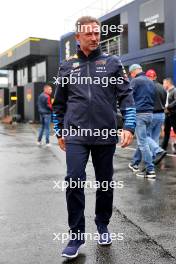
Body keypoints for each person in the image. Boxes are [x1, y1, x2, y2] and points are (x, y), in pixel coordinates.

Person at [52, 16, 136, 259]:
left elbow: (126, 96)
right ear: (77, 37)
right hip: (76, 134)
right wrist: (60, 131)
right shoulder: (66, 66)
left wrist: (128, 126)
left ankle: (102, 225)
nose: (94, 37)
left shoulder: (112, 62)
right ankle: (76, 235)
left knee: (105, 182)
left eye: (97, 33)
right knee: (74, 180)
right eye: (88, 34)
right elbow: (59, 103)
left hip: (105, 133)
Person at [128, 64, 156, 179]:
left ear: (134, 72)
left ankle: (150, 170)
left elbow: (128, 96)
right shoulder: (150, 81)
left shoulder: (135, 81)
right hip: (150, 114)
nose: (131, 76)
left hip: (140, 114)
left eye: (131, 74)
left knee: (143, 143)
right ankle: (134, 163)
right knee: (144, 141)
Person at [145, 69, 167, 163]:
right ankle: (155, 157)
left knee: (145, 135)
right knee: (155, 137)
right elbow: (165, 100)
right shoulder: (162, 87)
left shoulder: (147, 87)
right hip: (161, 115)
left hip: (151, 114)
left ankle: (157, 152)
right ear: (155, 76)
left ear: (147, 77)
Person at [161, 78, 176, 153]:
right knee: (166, 131)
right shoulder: (167, 92)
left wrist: (168, 107)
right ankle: (163, 149)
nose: (163, 85)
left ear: (168, 83)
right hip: (168, 115)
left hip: (173, 115)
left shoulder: (174, 91)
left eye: (164, 83)